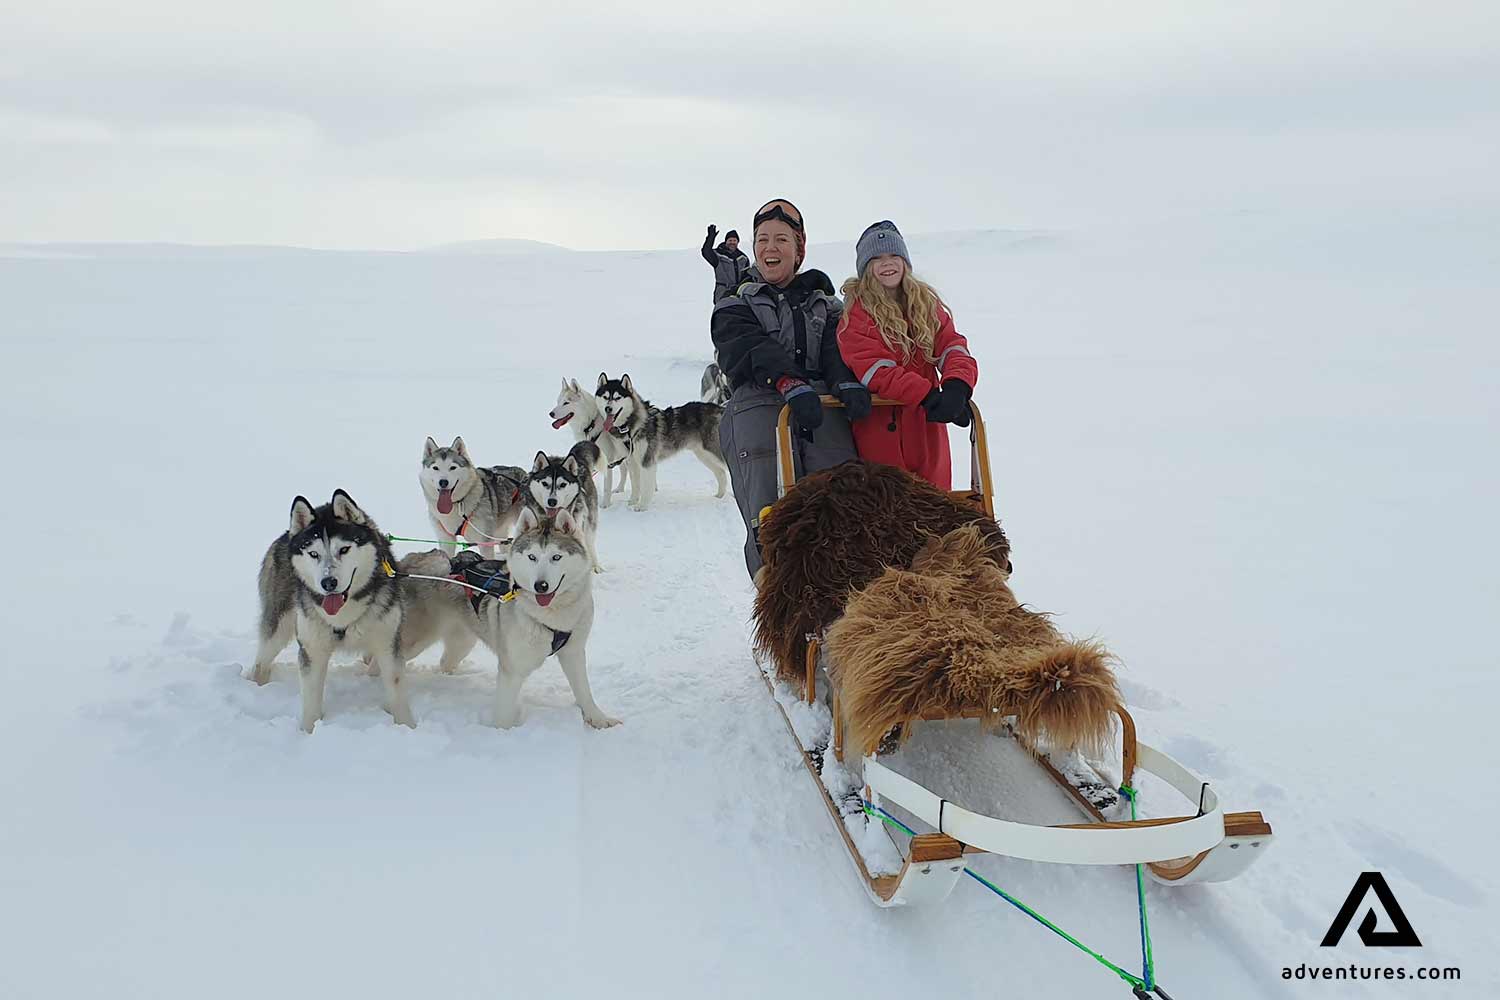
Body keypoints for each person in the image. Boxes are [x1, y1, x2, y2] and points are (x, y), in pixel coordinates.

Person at [712, 199, 871, 576]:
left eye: (781, 239)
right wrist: (787, 380)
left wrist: (844, 381)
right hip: (760, 408)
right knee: (771, 519)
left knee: (840, 505)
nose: (770, 247)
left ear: (799, 248)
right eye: (762, 239)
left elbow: (837, 345)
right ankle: (782, 615)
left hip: (820, 409)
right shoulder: (735, 300)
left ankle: (840, 614)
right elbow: (744, 345)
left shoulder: (826, 303)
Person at [835, 220, 978, 490]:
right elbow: (876, 369)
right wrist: (927, 395)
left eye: (893, 255)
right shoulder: (856, 314)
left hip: (927, 428)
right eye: (876, 258)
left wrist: (957, 385)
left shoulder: (926, 304)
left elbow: (951, 345)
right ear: (866, 268)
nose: (887, 263)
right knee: (887, 512)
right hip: (881, 429)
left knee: (934, 506)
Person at [701, 225, 751, 303]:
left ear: (738, 242)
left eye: (734, 240)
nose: (732, 243)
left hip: (738, 293)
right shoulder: (718, 255)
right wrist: (710, 238)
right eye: (730, 240)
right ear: (726, 241)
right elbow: (706, 252)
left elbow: (748, 276)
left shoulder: (743, 258)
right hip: (723, 292)